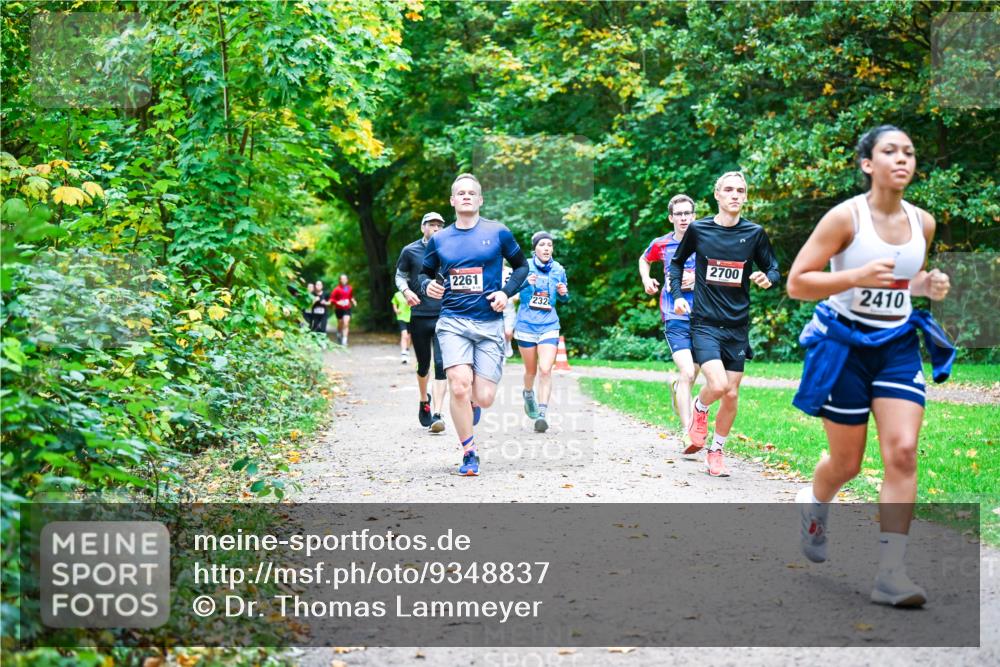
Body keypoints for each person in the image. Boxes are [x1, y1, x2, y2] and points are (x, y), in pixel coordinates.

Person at [787, 125, 953, 608]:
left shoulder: (923, 223)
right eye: (890, 151)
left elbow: (904, 280)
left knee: (902, 451)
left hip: (898, 343)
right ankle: (815, 503)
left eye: (909, 152)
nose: (902, 159)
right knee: (847, 462)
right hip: (843, 343)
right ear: (867, 164)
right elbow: (798, 283)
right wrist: (854, 275)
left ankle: (891, 573)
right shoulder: (845, 218)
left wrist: (926, 286)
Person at [669, 171, 780, 477]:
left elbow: (773, 267)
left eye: (740, 190)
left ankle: (716, 451)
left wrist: (766, 278)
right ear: (717, 195)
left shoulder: (754, 233)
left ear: (745, 197)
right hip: (705, 323)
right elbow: (677, 262)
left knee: (731, 394)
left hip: (737, 326)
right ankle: (699, 409)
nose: (735, 194)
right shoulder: (699, 229)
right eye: (728, 189)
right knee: (717, 385)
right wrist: (678, 294)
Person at [421, 174, 529, 476]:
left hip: (489, 324)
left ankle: (473, 404)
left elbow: (522, 266)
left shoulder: (499, 233)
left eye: (472, 193)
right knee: (458, 386)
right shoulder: (440, 239)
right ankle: (469, 452)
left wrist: (505, 293)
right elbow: (424, 274)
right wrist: (427, 285)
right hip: (453, 321)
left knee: (483, 396)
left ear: (480, 200)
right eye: (460, 193)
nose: (466, 196)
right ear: (452, 201)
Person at [640, 194, 700, 445]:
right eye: (679, 214)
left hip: (703, 316)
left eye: (688, 213)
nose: (684, 218)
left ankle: (678, 390)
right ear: (671, 217)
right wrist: (647, 279)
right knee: (686, 372)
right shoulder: (661, 244)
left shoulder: (705, 241)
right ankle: (688, 433)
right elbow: (644, 259)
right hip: (674, 316)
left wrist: (697, 278)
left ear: (694, 216)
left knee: (692, 375)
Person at [395, 211, 449, 433]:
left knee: (441, 363)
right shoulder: (410, 250)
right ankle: (423, 399)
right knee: (424, 364)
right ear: (423, 227)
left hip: (445, 314)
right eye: (431, 224)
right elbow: (400, 276)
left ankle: (437, 413)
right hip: (419, 315)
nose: (436, 228)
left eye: (439, 224)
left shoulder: (450, 249)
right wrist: (406, 291)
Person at [515, 232, 570, 433]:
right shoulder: (524, 267)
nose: (546, 248)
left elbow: (564, 298)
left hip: (549, 324)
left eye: (549, 245)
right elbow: (511, 290)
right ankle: (528, 394)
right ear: (535, 248)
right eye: (542, 245)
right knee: (531, 371)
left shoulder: (558, 269)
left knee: (545, 369)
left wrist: (564, 293)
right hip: (526, 325)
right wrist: (524, 283)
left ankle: (542, 414)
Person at [330, 274, 357, 345]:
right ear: (340, 280)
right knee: (340, 323)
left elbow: (351, 296)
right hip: (339, 309)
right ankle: (339, 333)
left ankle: (344, 340)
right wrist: (337, 302)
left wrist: (353, 301)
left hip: (347, 308)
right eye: (342, 279)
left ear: (347, 280)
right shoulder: (336, 289)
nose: (344, 280)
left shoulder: (350, 288)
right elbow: (332, 299)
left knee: (346, 323)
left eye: (345, 279)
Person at [501, 263, 519, 360]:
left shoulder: (511, 271)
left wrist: (516, 296)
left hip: (509, 308)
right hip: (495, 309)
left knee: (508, 332)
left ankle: (508, 343)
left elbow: (517, 285)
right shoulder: (491, 271)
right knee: (498, 335)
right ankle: (501, 357)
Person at [391, 290, 412, 364]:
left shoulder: (411, 293)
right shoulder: (397, 294)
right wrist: (396, 310)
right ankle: (403, 354)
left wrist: (410, 304)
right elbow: (394, 302)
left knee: (409, 336)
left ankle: (407, 351)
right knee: (404, 335)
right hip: (401, 317)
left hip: (410, 317)